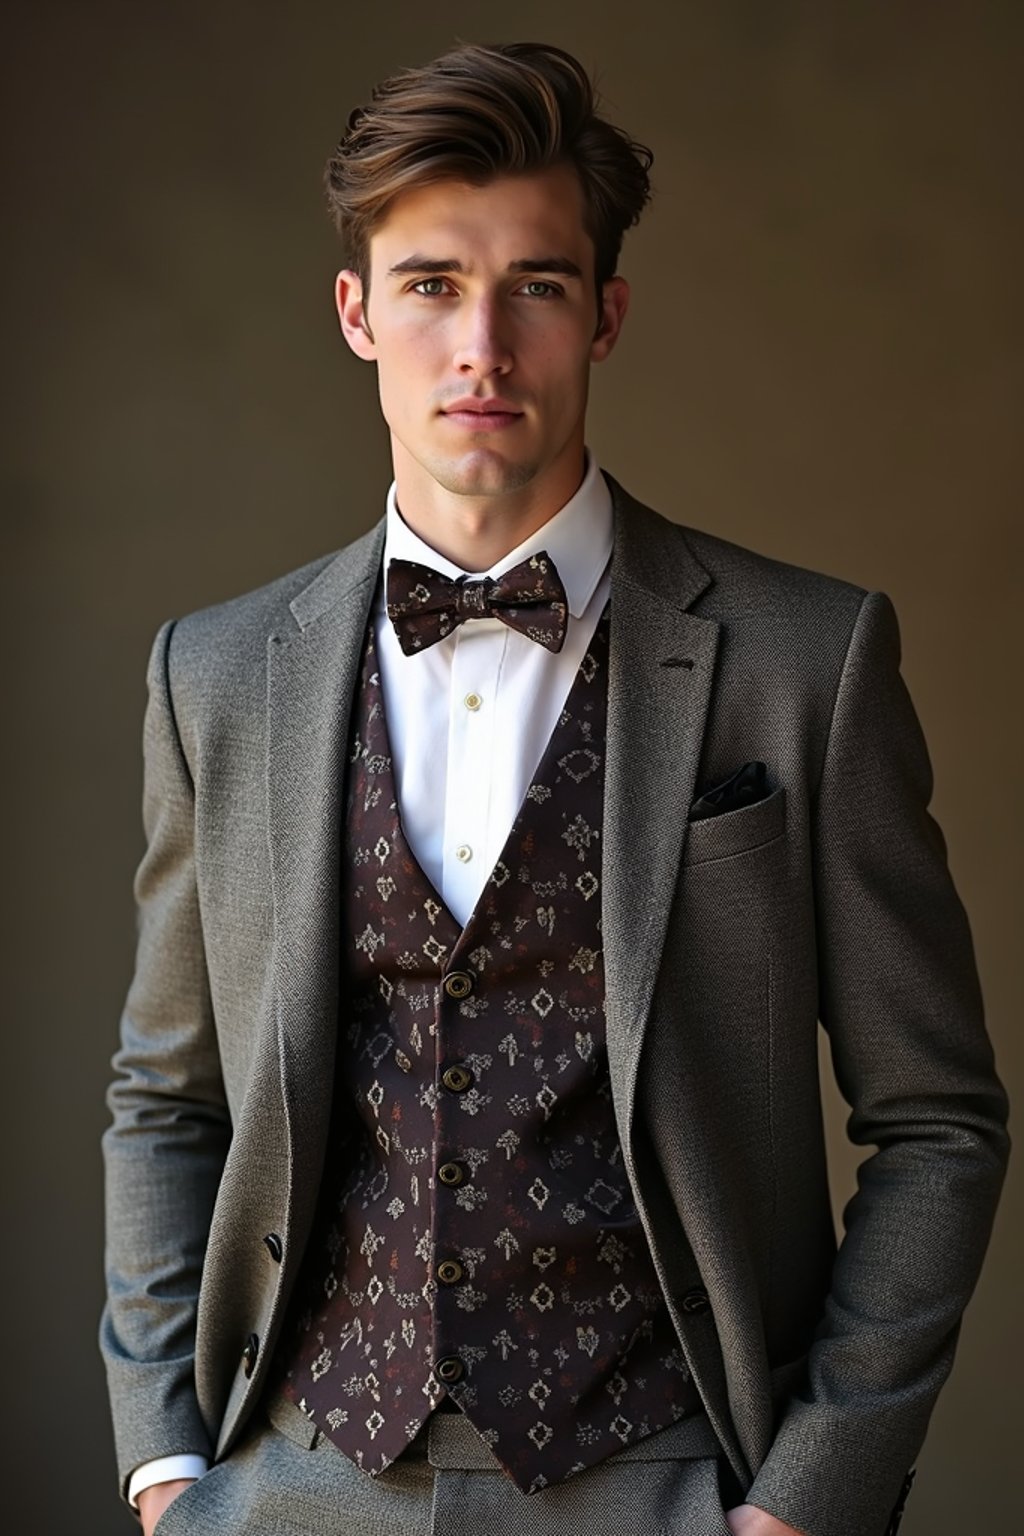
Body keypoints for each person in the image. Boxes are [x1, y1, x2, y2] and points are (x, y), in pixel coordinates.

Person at [100, 40, 1009, 1536]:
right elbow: (168, 1090)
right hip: (294, 1479)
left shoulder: (804, 659)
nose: (481, 347)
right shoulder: (212, 674)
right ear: (356, 312)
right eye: (432, 285)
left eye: (536, 285)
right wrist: (165, 1467)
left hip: (664, 1474)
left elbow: (939, 1120)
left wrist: (810, 1500)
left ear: (606, 316)